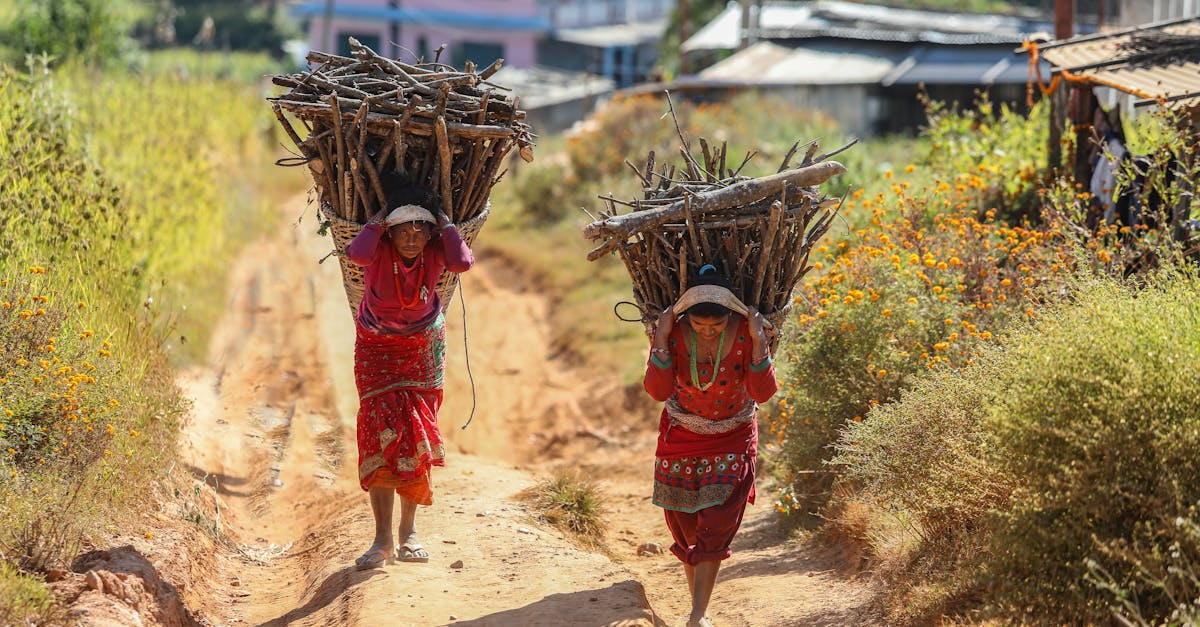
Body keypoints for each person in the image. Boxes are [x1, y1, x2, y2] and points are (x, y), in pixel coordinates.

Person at [343, 186, 474, 570]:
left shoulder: (435, 250)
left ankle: (409, 533)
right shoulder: (379, 249)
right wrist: (379, 221)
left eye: (421, 229)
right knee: (379, 431)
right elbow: (357, 253)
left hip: (422, 347)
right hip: (377, 346)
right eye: (405, 230)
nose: (414, 237)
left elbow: (463, 262)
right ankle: (382, 539)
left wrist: (446, 224)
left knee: (417, 431)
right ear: (391, 233)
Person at [643, 265, 777, 627]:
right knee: (687, 527)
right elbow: (657, 392)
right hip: (680, 438)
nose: (706, 331)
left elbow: (762, 392)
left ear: (730, 317)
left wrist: (759, 342)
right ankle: (697, 608)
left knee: (715, 523)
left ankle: (698, 614)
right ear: (686, 319)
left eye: (715, 327)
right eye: (699, 326)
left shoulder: (748, 334)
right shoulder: (673, 334)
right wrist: (661, 339)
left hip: (732, 438)